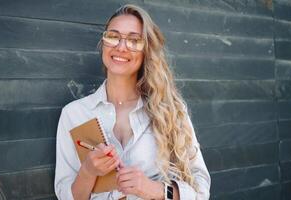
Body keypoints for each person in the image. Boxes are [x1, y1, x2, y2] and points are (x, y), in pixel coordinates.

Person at [54, 4, 210, 200]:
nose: (121, 46)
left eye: (134, 40)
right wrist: (88, 172)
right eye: (113, 36)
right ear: (103, 43)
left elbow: (201, 189)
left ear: (147, 51)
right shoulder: (74, 114)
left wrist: (155, 190)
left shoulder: (170, 110)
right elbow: (65, 196)